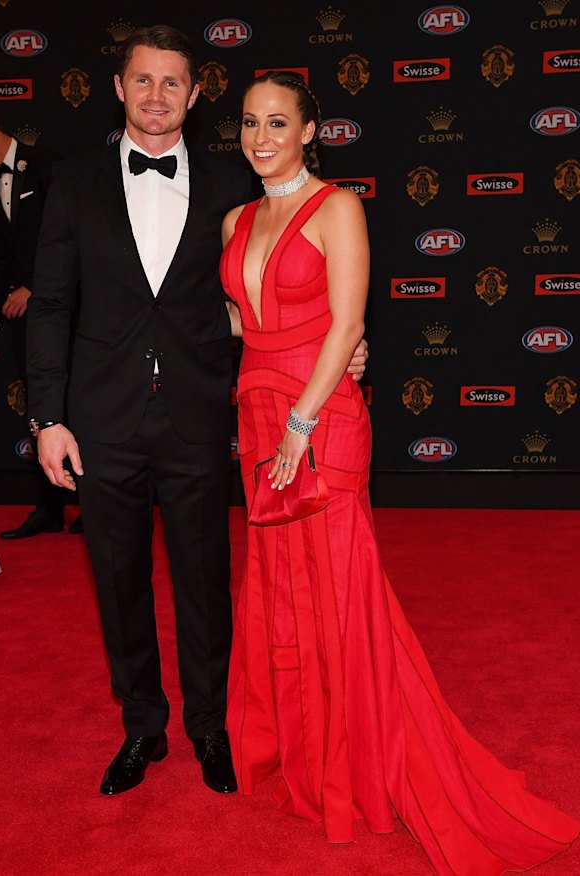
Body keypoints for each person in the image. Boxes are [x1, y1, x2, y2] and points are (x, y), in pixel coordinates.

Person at [220, 71, 579, 873]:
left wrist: (302, 420)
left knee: (342, 592)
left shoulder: (337, 207)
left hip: (317, 420)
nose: (260, 137)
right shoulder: (235, 220)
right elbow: (242, 318)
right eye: (248, 122)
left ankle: (365, 760)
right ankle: (305, 752)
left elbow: (348, 322)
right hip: (257, 416)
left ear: (310, 130)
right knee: (282, 592)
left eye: (277, 122)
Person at [25, 27, 367, 799]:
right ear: (119, 88)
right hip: (101, 419)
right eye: (143, 80)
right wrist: (47, 416)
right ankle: (141, 725)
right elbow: (48, 306)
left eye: (172, 82)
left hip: (201, 415)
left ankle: (210, 725)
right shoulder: (73, 182)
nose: (156, 96)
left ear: (194, 94)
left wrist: (346, 343)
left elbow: (281, 282)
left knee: (206, 581)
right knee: (118, 581)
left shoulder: (234, 183)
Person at [0, 118, 83, 538]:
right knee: (40, 409)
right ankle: (49, 508)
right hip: (21, 317)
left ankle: (92, 503)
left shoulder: (47, 164)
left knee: (80, 404)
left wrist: (33, 287)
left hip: (66, 310)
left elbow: (71, 236)